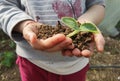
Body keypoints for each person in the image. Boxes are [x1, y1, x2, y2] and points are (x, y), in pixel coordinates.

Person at [0, 0, 105, 81]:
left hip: (75, 63)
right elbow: (4, 5)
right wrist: (24, 24)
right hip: (32, 62)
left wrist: (86, 22)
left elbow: (97, 4)